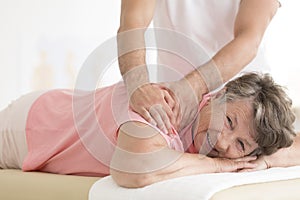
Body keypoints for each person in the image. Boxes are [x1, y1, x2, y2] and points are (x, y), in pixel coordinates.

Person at [0, 72, 298, 188]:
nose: (222, 140)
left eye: (241, 145)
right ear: (217, 96)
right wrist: (218, 165)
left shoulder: (228, 139)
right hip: (31, 127)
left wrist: (266, 160)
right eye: (229, 121)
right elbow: (133, 169)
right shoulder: (165, 104)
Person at [117, 0, 282, 135]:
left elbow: (248, 41)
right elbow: (132, 24)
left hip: (244, 108)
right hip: (174, 104)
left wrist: (193, 87)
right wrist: (138, 85)